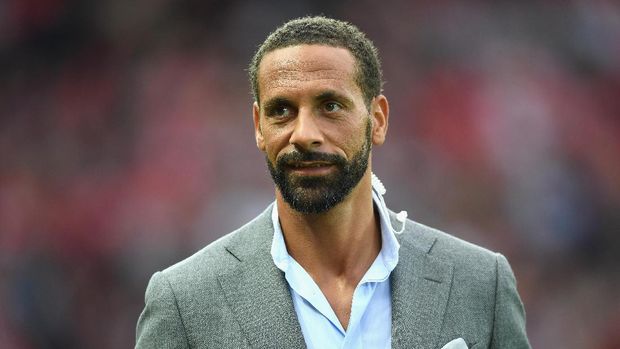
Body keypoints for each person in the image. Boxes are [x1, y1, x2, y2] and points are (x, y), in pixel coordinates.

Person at [135, 16, 530, 349]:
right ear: (258, 127)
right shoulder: (184, 302)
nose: (304, 133)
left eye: (331, 106)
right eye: (282, 110)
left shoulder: (481, 284)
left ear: (377, 119)